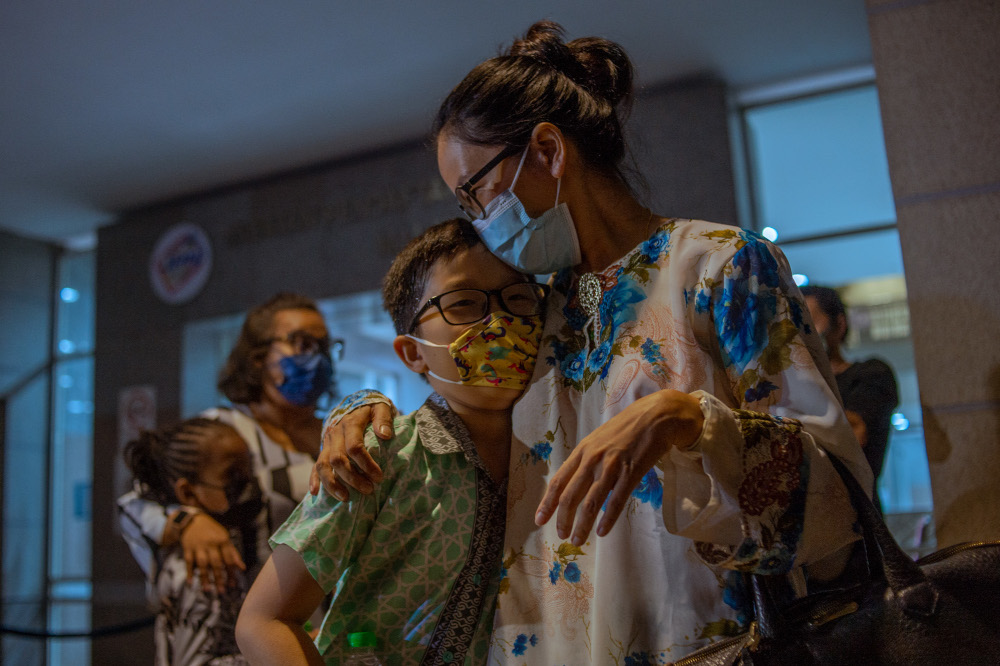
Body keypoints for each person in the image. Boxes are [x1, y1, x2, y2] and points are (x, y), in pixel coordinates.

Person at [313, 21, 872, 664]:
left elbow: (837, 505)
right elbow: (458, 406)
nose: (479, 221)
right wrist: (359, 407)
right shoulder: (537, 312)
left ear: (548, 152)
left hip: (709, 646)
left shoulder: (719, 268)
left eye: (477, 193)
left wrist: (688, 420)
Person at [235, 218, 548, 664]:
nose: (499, 322)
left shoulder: (559, 447)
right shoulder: (376, 455)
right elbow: (264, 619)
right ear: (413, 352)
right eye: (463, 303)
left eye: (518, 299)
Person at [119, 292, 338, 593]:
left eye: (324, 346)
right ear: (258, 358)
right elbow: (135, 504)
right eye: (302, 343)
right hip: (246, 612)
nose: (318, 357)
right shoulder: (222, 432)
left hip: (334, 613)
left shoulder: (339, 431)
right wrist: (186, 522)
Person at [122, 417, 265, 665]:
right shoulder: (203, 567)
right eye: (232, 476)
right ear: (188, 492)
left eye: (249, 469)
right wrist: (275, 654)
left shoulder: (231, 540)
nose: (248, 484)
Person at [801, 285, 899, 508]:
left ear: (839, 325)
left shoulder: (871, 374)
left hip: (855, 512)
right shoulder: (786, 387)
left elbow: (853, 435)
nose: (800, 336)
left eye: (809, 324)